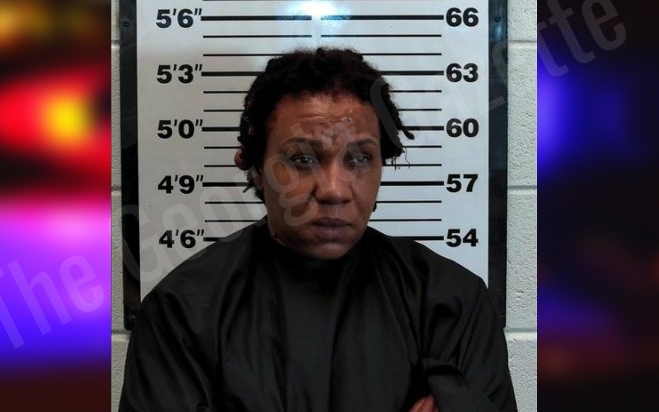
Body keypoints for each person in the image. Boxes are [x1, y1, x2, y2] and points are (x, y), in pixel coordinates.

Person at [119, 47, 518, 412]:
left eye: (359, 159)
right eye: (303, 159)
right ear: (256, 168)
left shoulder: (450, 302)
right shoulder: (182, 313)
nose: (334, 190)